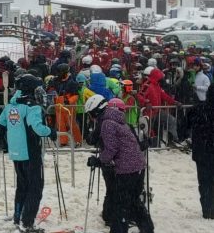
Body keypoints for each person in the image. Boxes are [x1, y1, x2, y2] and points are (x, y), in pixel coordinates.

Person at [0, 74, 57, 232]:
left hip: (16, 153)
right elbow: (36, 127)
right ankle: (27, 222)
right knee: (35, 187)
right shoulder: (32, 107)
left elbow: (0, 126)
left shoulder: (11, 106)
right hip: (30, 152)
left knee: (22, 186)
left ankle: (18, 217)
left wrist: (4, 144)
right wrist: (50, 131)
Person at [86, 95, 155, 233]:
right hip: (138, 167)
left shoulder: (107, 123)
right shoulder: (117, 119)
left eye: (90, 114)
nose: (91, 118)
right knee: (134, 202)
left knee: (120, 206)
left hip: (127, 169)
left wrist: (99, 160)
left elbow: (111, 148)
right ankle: (147, 228)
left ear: (95, 111)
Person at [187, 83, 214, 218]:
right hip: (207, 150)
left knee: (204, 182)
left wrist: (183, 136)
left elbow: (184, 126)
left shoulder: (197, 109)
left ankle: (207, 209)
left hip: (201, 152)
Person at [51, 63, 82, 146]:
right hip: (58, 105)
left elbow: (76, 95)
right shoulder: (55, 81)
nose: (58, 74)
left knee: (72, 124)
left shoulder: (72, 82)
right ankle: (63, 141)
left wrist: (69, 101)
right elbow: (51, 90)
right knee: (60, 125)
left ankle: (78, 140)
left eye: (60, 72)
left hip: (69, 107)